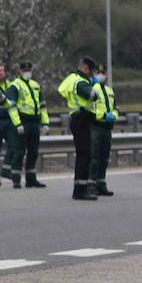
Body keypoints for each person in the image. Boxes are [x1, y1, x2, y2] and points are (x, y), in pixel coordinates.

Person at [58, 55, 100, 201]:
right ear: (85, 68)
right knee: (84, 155)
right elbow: (92, 96)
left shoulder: (73, 79)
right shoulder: (81, 82)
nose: (92, 74)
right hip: (81, 119)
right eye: (91, 71)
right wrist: (95, 86)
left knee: (83, 154)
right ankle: (80, 190)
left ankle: (81, 187)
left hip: (78, 119)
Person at [4, 61, 49, 189]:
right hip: (22, 121)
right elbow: (11, 107)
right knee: (19, 151)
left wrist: (45, 122)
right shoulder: (15, 86)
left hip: (34, 122)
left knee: (33, 151)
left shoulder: (36, 85)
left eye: (29, 70)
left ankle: (31, 179)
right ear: (20, 72)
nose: (27, 73)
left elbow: (42, 105)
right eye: (24, 71)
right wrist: (17, 123)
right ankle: (16, 179)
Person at [89, 63, 117, 197]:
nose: (101, 76)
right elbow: (91, 109)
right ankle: (91, 184)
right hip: (96, 126)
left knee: (104, 157)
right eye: (98, 73)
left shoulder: (109, 90)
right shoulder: (91, 90)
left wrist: (114, 116)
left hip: (107, 127)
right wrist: (103, 116)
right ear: (94, 75)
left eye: (103, 73)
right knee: (94, 157)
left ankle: (101, 183)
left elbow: (115, 108)